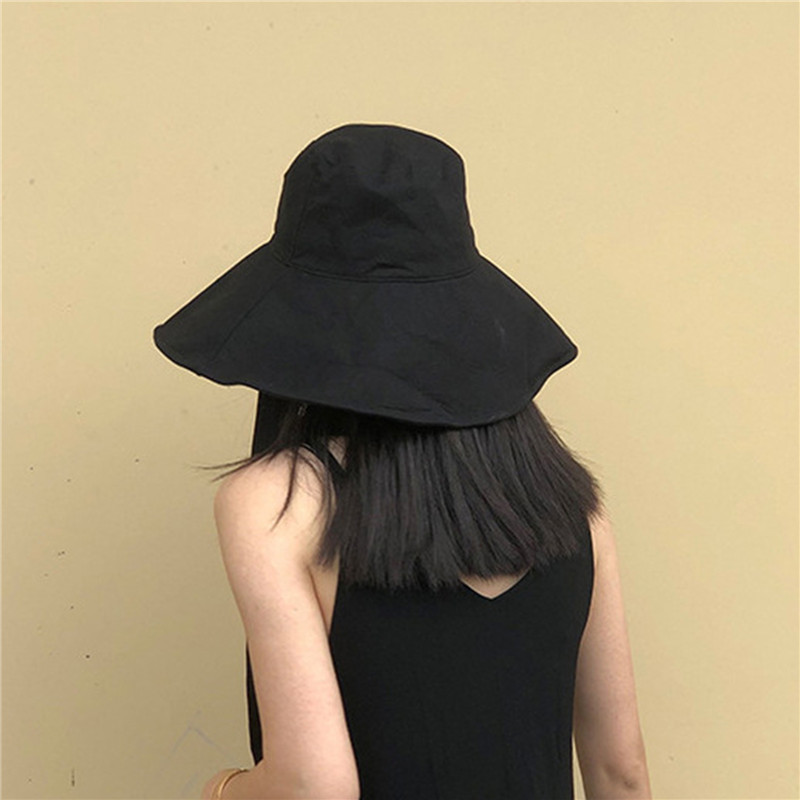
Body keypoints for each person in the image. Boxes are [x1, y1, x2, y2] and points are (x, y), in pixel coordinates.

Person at [154, 123, 652, 800]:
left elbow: (312, 788)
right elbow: (622, 773)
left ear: (294, 317)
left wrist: (220, 790)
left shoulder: (276, 501)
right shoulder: (571, 504)